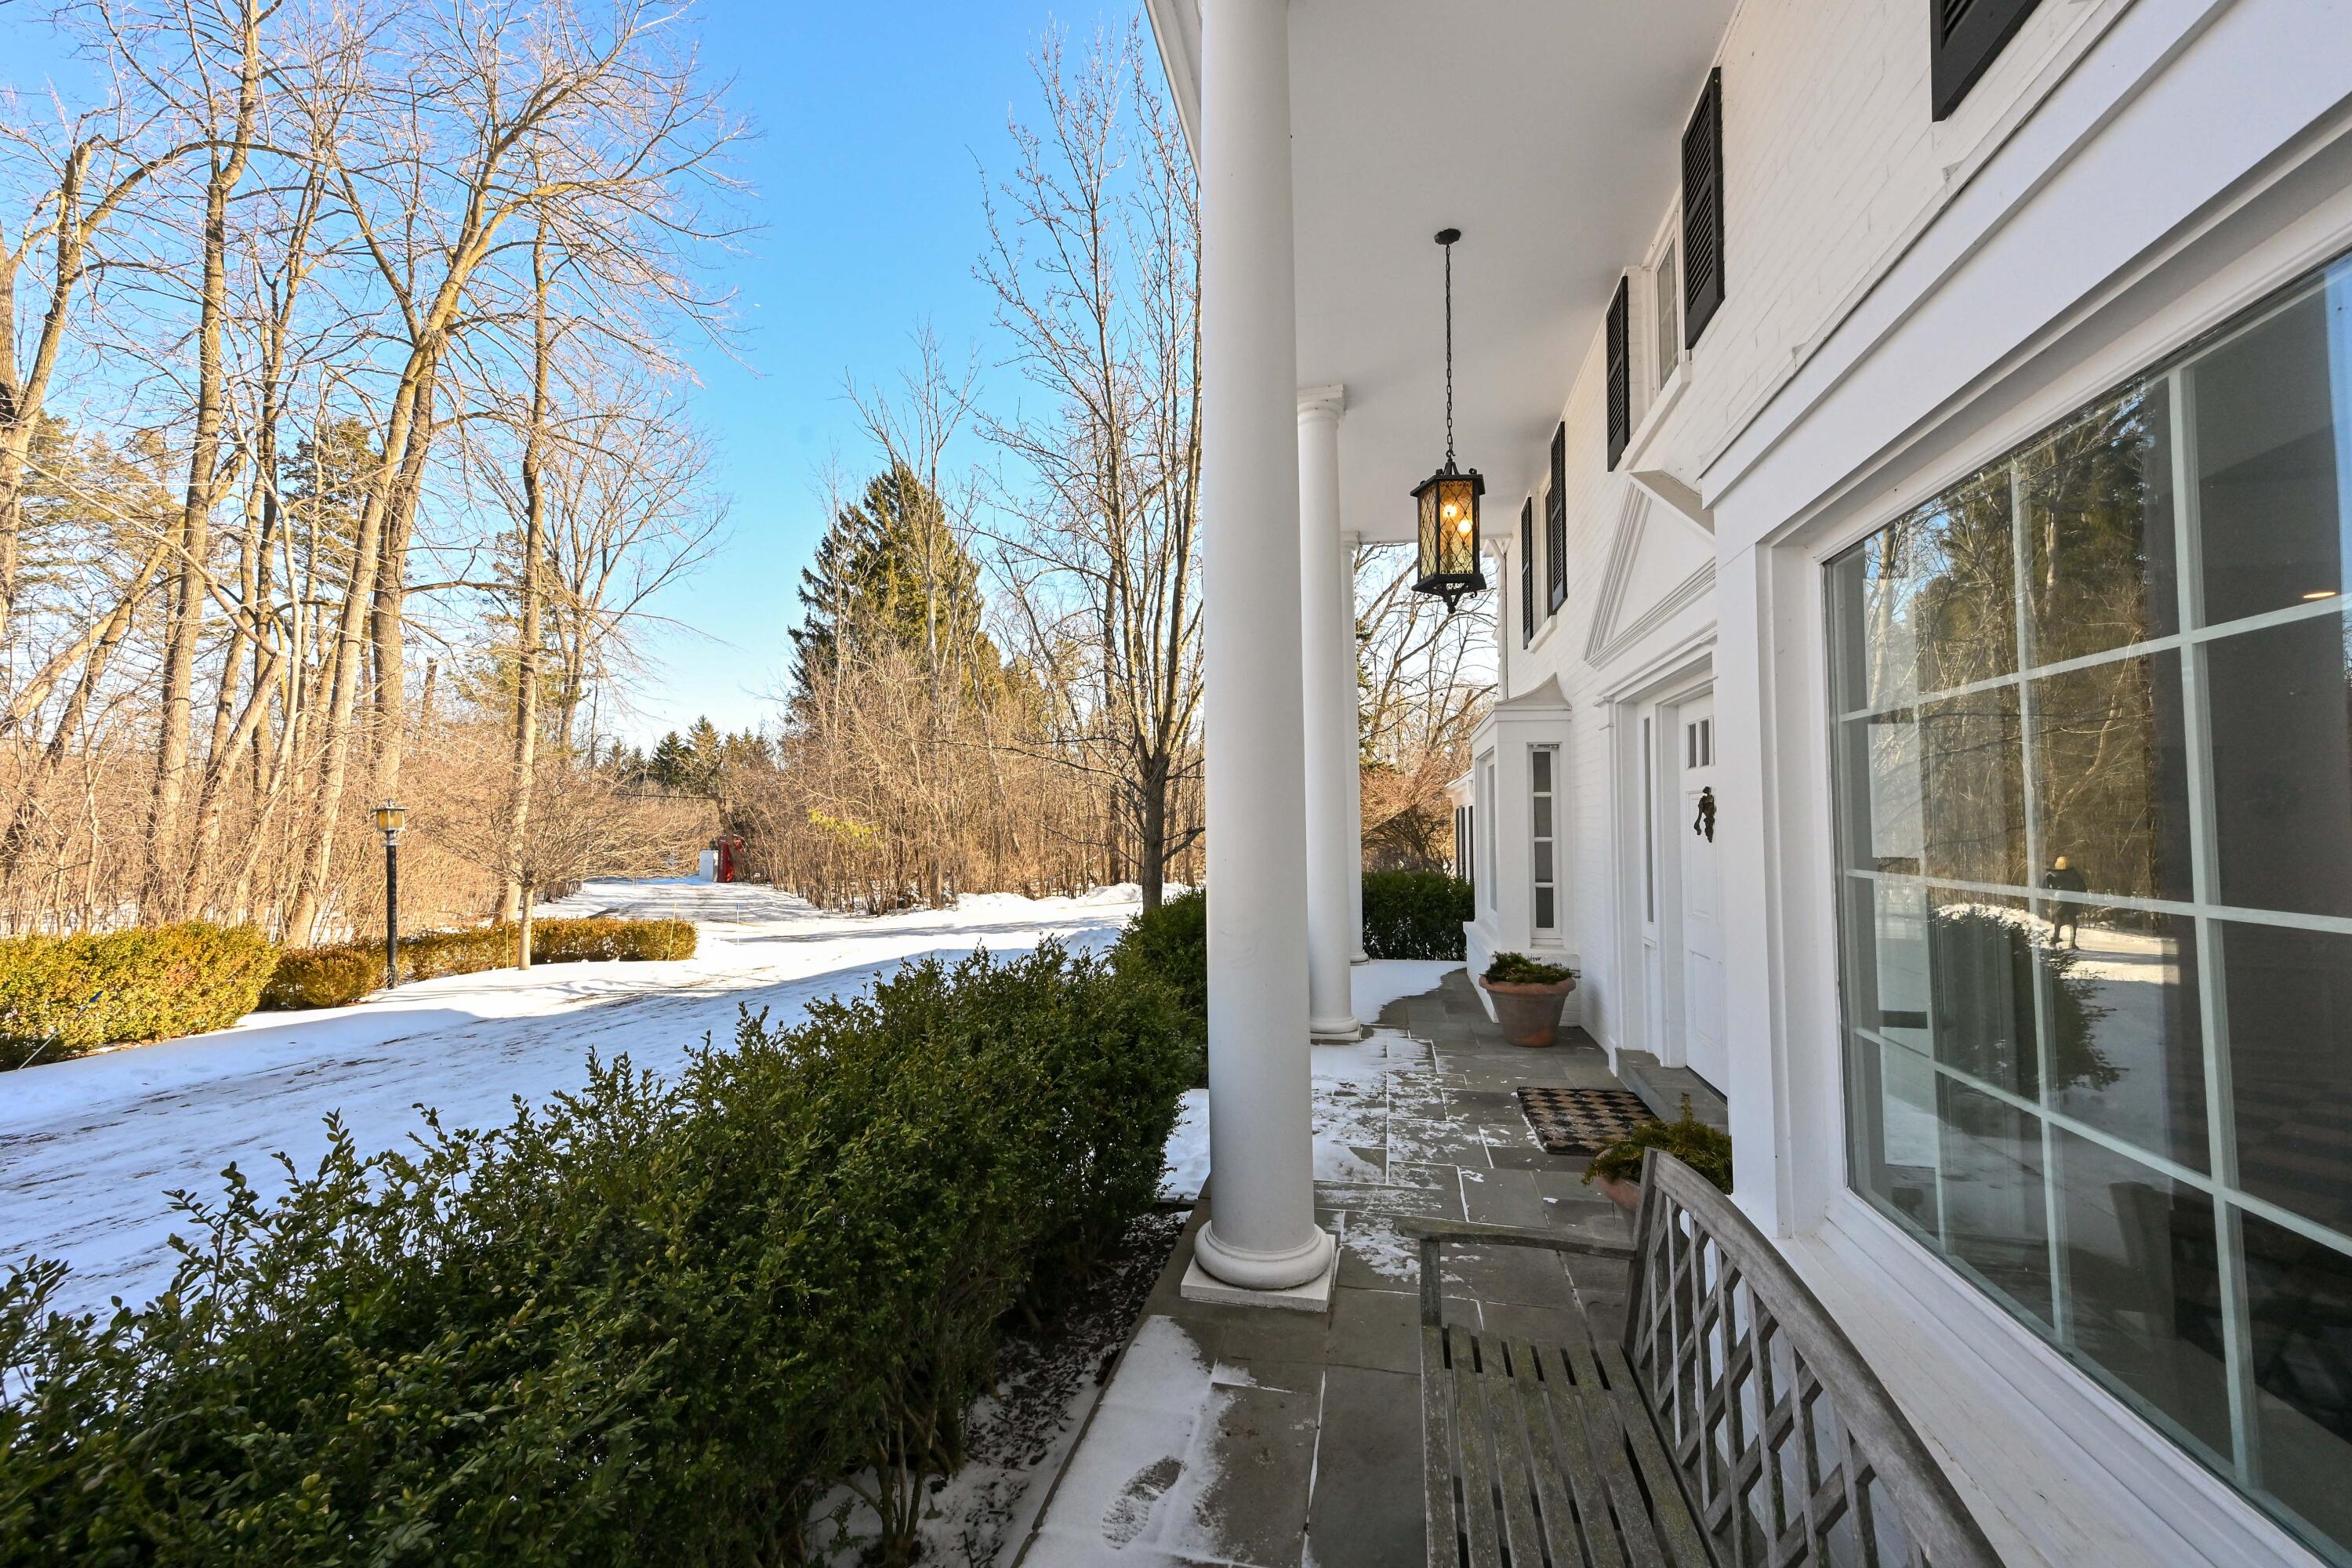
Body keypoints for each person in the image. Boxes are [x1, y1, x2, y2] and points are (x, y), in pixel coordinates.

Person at [2042, 854, 2089, 947]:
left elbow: (2044, 887)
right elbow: (2083, 887)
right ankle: (2073, 942)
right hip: (2071, 897)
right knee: (2073, 919)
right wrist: (2077, 894)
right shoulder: (2073, 873)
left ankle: (2056, 937)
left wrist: (2053, 894)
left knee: (2059, 917)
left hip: (2059, 898)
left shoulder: (2051, 874)